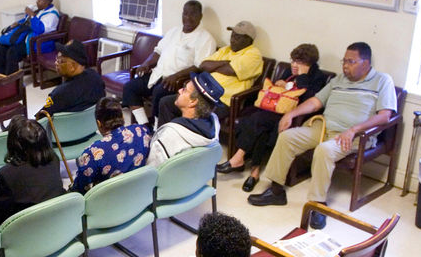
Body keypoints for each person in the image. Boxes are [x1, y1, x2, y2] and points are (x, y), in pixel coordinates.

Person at [248, 42, 398, 229]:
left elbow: (385, 116)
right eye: (344, 61)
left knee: (324, 150)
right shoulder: (339, 80)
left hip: (353, 135)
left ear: (366, 63)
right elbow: (315, 101)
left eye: (351, 62)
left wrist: (353, 130)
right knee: (287, 137)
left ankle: (318, 204)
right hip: (323, 127)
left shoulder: (383, 81)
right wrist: (291, 114)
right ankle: (277, 191)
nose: (345, 65)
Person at [217, 44, 330, 192]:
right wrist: (280, 84)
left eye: (300, 63)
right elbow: (276, 92)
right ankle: (254, 173)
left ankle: (239, 158)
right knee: (261, 128)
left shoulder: (318, 77)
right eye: (294, 61)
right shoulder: (289, 71)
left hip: (294, 116)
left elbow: (311, 100)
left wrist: (302, 78)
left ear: (310, 64)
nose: (295, 65)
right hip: (273, 111)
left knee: (258, 119)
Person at [121, 1, 216, 126]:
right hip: (158, 74)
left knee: (159, 92)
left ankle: (156, 127)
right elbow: (158, 51)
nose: (188, 18)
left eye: (193, 14)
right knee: (130, 87)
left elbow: (199, 66)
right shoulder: (174, 31)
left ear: (200, 16)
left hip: (178, 81)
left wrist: (176, 76)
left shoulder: (206, 38)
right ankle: (143, 125)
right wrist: (146, 63)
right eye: (185, 14)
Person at [157, 21, 262, 127]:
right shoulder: (225, 50)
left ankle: (186, 139)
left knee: (192, 113)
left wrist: (218, 66)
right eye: (232, 36)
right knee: (166, 102)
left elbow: (230, 70)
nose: (232, 40)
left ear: (248, 40)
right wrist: (226, 62)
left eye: (237, 37)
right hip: (201, 93)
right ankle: (166, 135)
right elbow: (204, 65)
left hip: (221, 100)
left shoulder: (253, 54)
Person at [0, 117, 64, 227]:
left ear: (14, 145)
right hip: (59, 224)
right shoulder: (54, 159)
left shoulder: (7, 175)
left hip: (26, 233)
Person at [70, 97, 151, 193]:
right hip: (139, 194)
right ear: (122, 116)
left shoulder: (92, 154)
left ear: (99, 123)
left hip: (109, 204)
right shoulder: (142, 131)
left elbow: (80, 190)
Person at [146, 71, 223, 168]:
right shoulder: (214, 126)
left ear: (193, 102)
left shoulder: (169, 135)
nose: (179, 90)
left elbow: (151, 171)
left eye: (185, 90)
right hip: (198, 180)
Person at [0, 0, 60, 77]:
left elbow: (40, 29)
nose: (37, 2)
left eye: (40, 0)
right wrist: (18, 22)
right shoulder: (39, 9)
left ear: (47, 2)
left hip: (38, 43)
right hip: (27, 38)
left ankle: (9, 81)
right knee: (2, 45)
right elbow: (27, 22)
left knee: (12, 51)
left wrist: (32, 15)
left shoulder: (52, 14)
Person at [36, 39, 105, 118]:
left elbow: (41, 118)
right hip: (91, 127)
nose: (56, 63)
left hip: (64, 129)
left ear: (72, 66)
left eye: (60, 61)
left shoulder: (59, 94)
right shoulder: (96, 78)